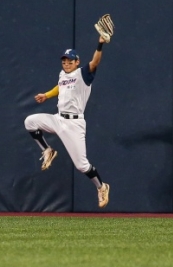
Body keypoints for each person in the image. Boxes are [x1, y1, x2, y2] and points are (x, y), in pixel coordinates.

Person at [24, 35, 110, 208]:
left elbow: (95, 62)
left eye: (70, 61)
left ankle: (101, 187)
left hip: (74, 124)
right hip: (58, 118)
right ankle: (48, 150)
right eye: (64, 61)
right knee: (30, 121)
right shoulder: (63, 74)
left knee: (81, 165)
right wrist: (46, 95)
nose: (66, 64)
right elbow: (60, 86)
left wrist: (100, 44)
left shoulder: (83, 74)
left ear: (77, 61)